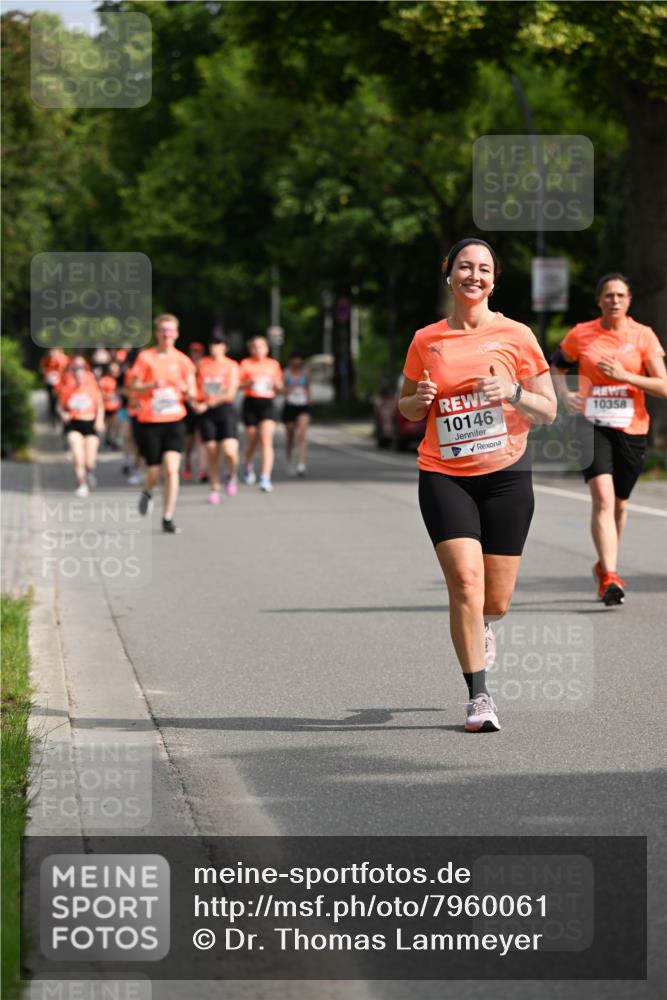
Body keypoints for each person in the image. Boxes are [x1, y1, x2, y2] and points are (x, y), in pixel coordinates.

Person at [399, 238, 556, 733]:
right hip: (444, 473)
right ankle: (479, 695)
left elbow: (549, 409)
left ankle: (483, 625)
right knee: (465, 583)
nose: (474, 275)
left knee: (496, 600)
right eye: (465, 266)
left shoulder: (516, 334)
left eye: (484, 269)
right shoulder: (427, 339)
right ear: (449, 274)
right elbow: (404, 407)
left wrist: (511, 391)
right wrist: (419, 399)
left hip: (507, 475)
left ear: (494, 279)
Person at [551, 273, 667, 605]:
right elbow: (555, 368)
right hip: (590, 425)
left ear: (629, 300)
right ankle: (612, 578)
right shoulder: (581, 334)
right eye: (608, 295)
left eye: (620, 295)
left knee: (619, 503)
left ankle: (605, 564)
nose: (614, 300)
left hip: (631, 428)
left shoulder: (643, 336)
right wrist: (564, 395)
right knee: (603, 496)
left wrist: (626, 376)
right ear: (599, 300)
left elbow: (663, 385)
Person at [131, 314, 198, 533]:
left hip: (174, 420)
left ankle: (167, 518)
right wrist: (152, 385)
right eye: (163, 330)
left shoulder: (183, 361)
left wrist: (185, 389)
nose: (167, 334)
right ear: (156, 333)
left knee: (171, 469)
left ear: (177, 334)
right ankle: (147, 491)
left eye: (171, 330)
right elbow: (134, 386)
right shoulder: (145, 358)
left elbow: (193, 392)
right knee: (154, 472)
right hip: (150, 421)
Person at [195, 332, 241, 503]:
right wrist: (194, 401)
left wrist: (209, 403)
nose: (215, 347)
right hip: (206, 414)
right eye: (213, 343)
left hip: (225, 411)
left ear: (225, 347)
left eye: (219, 344)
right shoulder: (202, 364)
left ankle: (231, 475)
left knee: (230, 451)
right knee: (211, 451)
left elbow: (230, 394)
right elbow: (195, 388)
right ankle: (214, 487)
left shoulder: (232, 366)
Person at [238, 336, 283, 492]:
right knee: (252, 440)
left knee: (266, 439)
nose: (258, 349)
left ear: (267, 348)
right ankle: (248, 463)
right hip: (251, 402)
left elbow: (279, 388)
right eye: (255, 347)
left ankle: (265, 477)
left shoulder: (273, 364)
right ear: (251, 349)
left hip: (267, 403)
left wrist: (277, 385)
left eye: (261, 346)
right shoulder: (245, 364)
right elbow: (237, 385)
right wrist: (247, 383)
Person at [57, 358, 105, 497]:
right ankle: (82, 484)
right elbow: (59, 406)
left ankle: (89, 472)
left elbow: (100, 404)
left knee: (89, 461)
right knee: (78, 456)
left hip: (90, 424)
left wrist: (100, 420)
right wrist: (63, 414)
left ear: (85, 374)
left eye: (81, 373)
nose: (79, 376)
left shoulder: (92, 388)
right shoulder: (67, 389)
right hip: (74, 424)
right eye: (76, 373)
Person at [282, 354, 311, 475]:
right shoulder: (286, 373)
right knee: (290, 436)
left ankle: (301, 464)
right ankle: (289, 459)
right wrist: (290, 389)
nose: (297, 362)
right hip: (290, 406)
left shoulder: (305, 373)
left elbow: (308, 387)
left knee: (302, 434)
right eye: (295, 360)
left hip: (303, 406)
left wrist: (309, 399)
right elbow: (280, 389)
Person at [183, 342, 207, 482]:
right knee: (189, 440)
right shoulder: (186, 365)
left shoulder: (205, 366)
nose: (196, 354)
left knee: (201, 438)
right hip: (188, 407)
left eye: (198, 351)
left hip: (202, 405)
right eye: (194, 351)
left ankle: (202, 469)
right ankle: (187, 460)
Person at [40, 348, 69, 426]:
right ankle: (53, 418)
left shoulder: (64, 358)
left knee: (60, 399)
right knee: (52, 400)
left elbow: (66, 369)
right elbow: (42, 369)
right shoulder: (47, 359)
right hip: (50, 383)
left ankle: (59, 416)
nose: (53, 352)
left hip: (61, 384)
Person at [99, 361, 123, 449]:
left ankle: (112, 440)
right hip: (106, 406)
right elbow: (99, 392)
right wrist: (108, 396)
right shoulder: (104, 380)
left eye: (117, 370)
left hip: (116, 406)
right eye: (113, 370)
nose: (116, 372)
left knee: (115, 425)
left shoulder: (120, 379)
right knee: (105, 425)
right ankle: (104, 441)